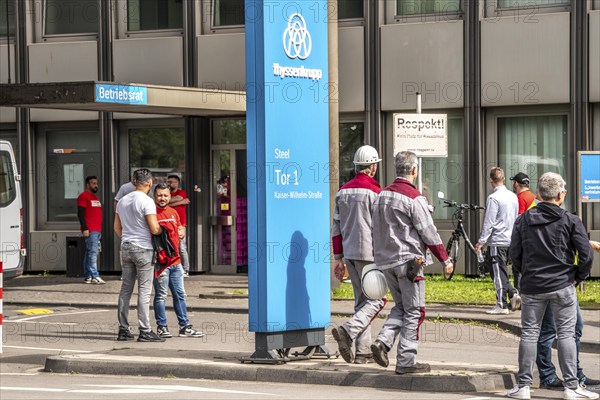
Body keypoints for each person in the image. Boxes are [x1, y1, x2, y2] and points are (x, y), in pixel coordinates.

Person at [507, 172, 597, 400]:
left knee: (529, 334)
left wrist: (524, 273)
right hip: (562, 285)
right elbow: (585, 254)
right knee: (566, 334)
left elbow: (514, 254)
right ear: (560, 195)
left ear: (538, 194)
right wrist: (578, 277)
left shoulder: (523, 220)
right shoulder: (570, 220)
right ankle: (572, 387)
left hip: (532, 286)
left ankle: (523, 387)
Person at [370, 151, 453, 375]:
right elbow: (429, 232)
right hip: (409, 263)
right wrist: (444, 258)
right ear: (414, 170)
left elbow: (373, 229)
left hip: (386, 262)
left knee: (402, 307)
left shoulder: (381, 196)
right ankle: (406, 361)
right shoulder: (414, 198)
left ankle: (382, 343)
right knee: (416, 310)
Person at [330, 145, 386, 364]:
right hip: (371, 254)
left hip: (350, 253)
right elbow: (383, 227)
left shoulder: (342, 192)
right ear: (372, 167)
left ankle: (362, 353)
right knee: (377, 300)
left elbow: (336, 227)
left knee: (361, 303)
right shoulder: (376, 193)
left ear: (356, 167)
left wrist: (338, 258)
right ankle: (347, 330)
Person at [536, 239, 600, 391]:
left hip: (565, 283)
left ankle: (575, 374)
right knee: (548, 331)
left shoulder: (565, 219)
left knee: (576, 327)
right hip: (550, 281)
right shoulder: (539, 219)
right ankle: (547, 377)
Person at [114, 168, 165, 342]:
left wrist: (127, 239)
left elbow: (116, 227)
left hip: (126, 247)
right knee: (144, 290)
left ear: (134, 181)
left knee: (125, 289)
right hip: (143, 248)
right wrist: (163, 230)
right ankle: (145, 330)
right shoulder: (147, 201)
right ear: (150, 183)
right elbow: (154, 228)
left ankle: (123, 329)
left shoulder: (121, 201)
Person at [152, 184, 204, 338]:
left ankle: (185, 327)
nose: (162, 198)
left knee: (180, 295)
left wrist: (181, 230)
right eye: (159, 195)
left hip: (176, 262)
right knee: (161, 296)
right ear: (154, 196)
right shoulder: (151, 212)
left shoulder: (173, 212)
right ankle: (162, 327)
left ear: (170, 196)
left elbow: (180, 227)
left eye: (165, 195)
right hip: (161, 263)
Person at [474, 167, 520, 315]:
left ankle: (501, 304)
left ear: (490, 180)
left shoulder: (494, 198)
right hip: (511, 239)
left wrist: (481, 241)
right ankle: (513, 293)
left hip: (497, 240)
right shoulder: (513, 196)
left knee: (498, 274)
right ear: (504, 179)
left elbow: (489, 222)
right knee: (498, 271)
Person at [509, 171, 536, 296]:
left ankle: (519, 296)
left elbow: (518, 219)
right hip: (534, 237)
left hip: (523, 237)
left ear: (516, 184)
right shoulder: (533, 196)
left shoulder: (520, 198)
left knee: (517, 268)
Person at [77, 176, 105, 284]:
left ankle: (88, 275)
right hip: (90, 229)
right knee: (93, 253)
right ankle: (95, 275)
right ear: (87, 185)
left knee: (89, 252)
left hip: (96, 230)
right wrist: (84, 228)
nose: (96, 185)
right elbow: (80, 213)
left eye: (96, 183)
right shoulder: (84, 196)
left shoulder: (94, 197)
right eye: (93, 183)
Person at [166, 175, 191, 277]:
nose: (169, 183)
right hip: (168, 223)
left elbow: (174, 199)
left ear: (177, 183)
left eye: (171, 182)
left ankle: (185, 270)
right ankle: (170, 268)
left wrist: (170, 202)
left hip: (180, 224)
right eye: (168, 182)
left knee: (181, 248)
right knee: (169, 246)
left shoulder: (182, 192)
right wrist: (182, 202)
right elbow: (166, 202)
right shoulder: (166, 193)